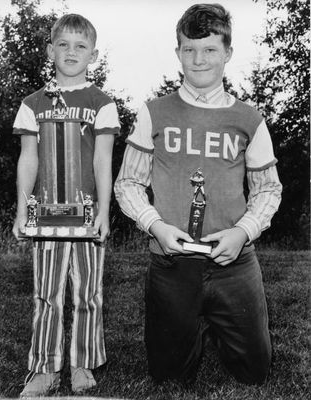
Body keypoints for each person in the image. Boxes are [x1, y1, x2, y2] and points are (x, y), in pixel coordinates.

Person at [114, 3, 282, 385]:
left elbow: (268, 188)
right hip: (171, 261)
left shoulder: (249, 118)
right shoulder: (153, 112)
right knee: (170, 377)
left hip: (234, 261)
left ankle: (217, 321)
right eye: (189, 49)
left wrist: (242, 232)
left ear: (227, 53)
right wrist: (155, 226)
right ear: (177, 53)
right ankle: (189, 324)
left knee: (254, 373)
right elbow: (128, 183)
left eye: (209, 49)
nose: (198, 59)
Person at [12, 14, 120, 396]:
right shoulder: (32, 104)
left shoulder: (102, 103)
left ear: (92, 54)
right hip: (46, 216)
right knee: (47, 292)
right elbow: (29, 158)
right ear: (50, 50)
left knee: (89, 291)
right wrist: (22, 208)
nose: (71, 52)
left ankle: (83, 363)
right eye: (63, 44)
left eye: (80, 46)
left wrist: (105, 210)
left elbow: (103, 161)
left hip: (88, 215)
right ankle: (44, 368)